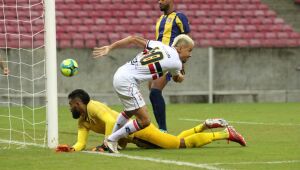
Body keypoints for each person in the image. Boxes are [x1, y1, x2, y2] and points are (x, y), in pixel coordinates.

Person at [92, 34, 194, 153]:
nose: (190, 54)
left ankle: (108, 141)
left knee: (129, 111)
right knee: (144, 121)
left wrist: (110, 47)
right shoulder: (176, 63)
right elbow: (177, 79)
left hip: (121, 73)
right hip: (127, 81)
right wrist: (182, 75)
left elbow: (133, 39)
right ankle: (111, 139)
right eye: (189, 50)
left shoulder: (160, 45)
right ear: (180, 48)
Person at [55, 89, 246, 152]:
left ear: (79, 103)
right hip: (132, 137)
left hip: (138, 129)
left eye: (71, 104)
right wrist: (73, 148)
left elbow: (109, 122)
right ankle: (204, 125)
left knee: (179, 144)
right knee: (173, 139)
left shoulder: (93, 106)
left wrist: (107, 144)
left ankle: (225, 133)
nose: (69, 107)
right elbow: (81, 142)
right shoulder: (82, 121)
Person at [150, 0, 191, 132]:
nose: (159, 2)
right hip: (157, 59)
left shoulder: (179, 17)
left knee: (155, 91)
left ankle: (162, 129)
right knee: (153, 93)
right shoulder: (160, 19)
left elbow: (186, 41)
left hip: (169, 59)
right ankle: (160, 128)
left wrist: (182, 63)